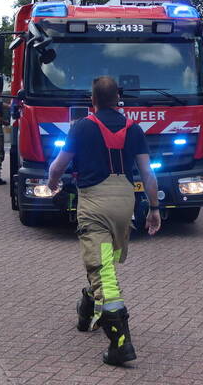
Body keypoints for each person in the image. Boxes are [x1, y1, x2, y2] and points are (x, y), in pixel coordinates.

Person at [45, 76, 161, 366]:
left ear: (92, 100)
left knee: (102, 269)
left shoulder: (82, 126)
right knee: (105, 260)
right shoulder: (134, 129)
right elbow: (148, 174)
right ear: (118, 98)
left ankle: (120, 343)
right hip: (125, 201)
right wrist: (154, 209)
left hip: (94, 201)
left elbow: (58, 165)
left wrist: (52, 184)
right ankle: (87, 310)